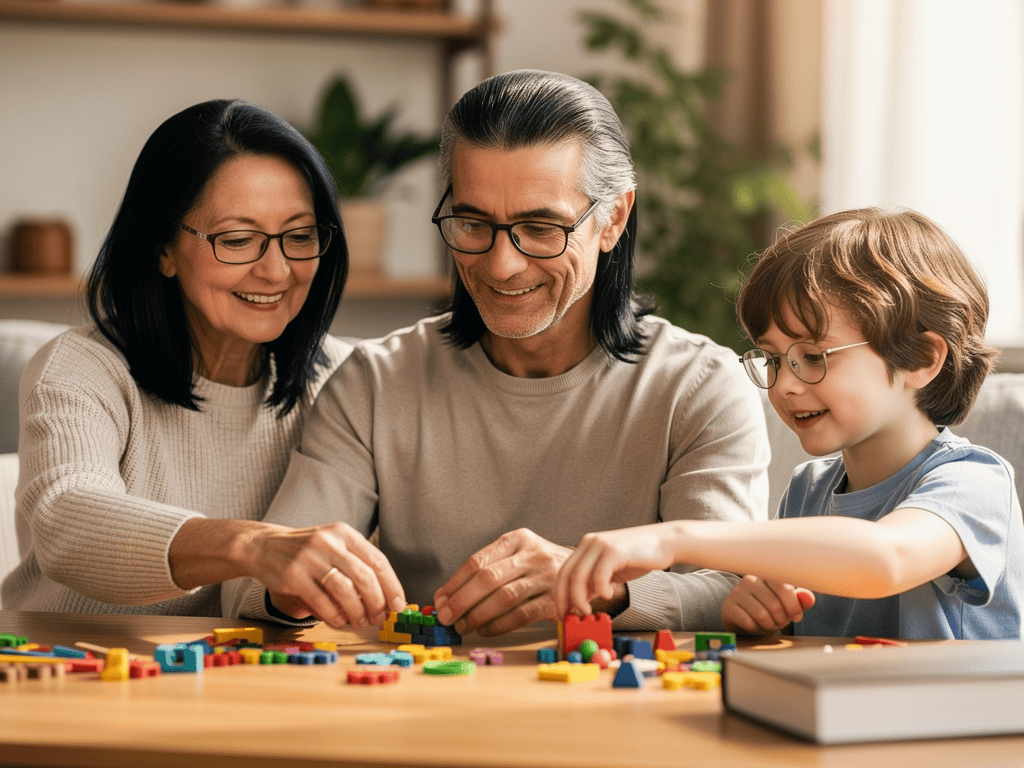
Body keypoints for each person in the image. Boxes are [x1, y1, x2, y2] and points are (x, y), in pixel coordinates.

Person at [228, 69, 770, 636]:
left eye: (540, 228)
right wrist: (292, 586)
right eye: (473, 223)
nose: (500, 264)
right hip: (427, 705)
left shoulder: (699, 386)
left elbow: (733, 589)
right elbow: (253, 587)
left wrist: (596, 586)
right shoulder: (374, 382)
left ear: (613, 218)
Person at [3, 99, 406, 628]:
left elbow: (264, 599)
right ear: (163, 250)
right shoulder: (80, 369)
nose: (277, 270)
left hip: (229, 682)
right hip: (61, 673)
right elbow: (66, 520)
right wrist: (252, 544)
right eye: (238, 240)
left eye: (300, 236)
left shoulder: (346, 379)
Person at [554, 207, 1024, 640]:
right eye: (774, 359)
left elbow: (885, 557)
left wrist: (673, 538)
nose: (784, 386)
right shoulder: (809, 491)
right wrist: (755, 613)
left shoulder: (974, 483)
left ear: (922, 358)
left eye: (813, 356)